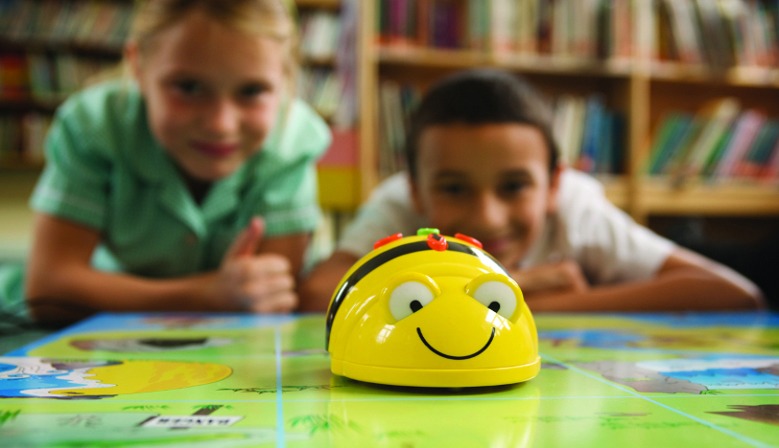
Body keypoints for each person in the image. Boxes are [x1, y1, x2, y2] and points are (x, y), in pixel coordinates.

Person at [300, 68, 764, 312]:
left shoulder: (577, 208)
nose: (488, 217)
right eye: (455, 187)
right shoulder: (397, 205)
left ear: (553, 185)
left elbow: (732, 294)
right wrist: (512, 286)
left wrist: (561, 305)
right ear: (416, 192)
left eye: (515, 186)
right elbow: (318, 291)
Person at [0, 0, 330, 326]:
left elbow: (269, 296)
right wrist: (204, 297)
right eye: (188, 87)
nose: (221, 124)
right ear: (138, 67)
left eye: (252, 90)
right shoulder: (93, 126)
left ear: (286, 81)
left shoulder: (294, 141)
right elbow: (49, 289)